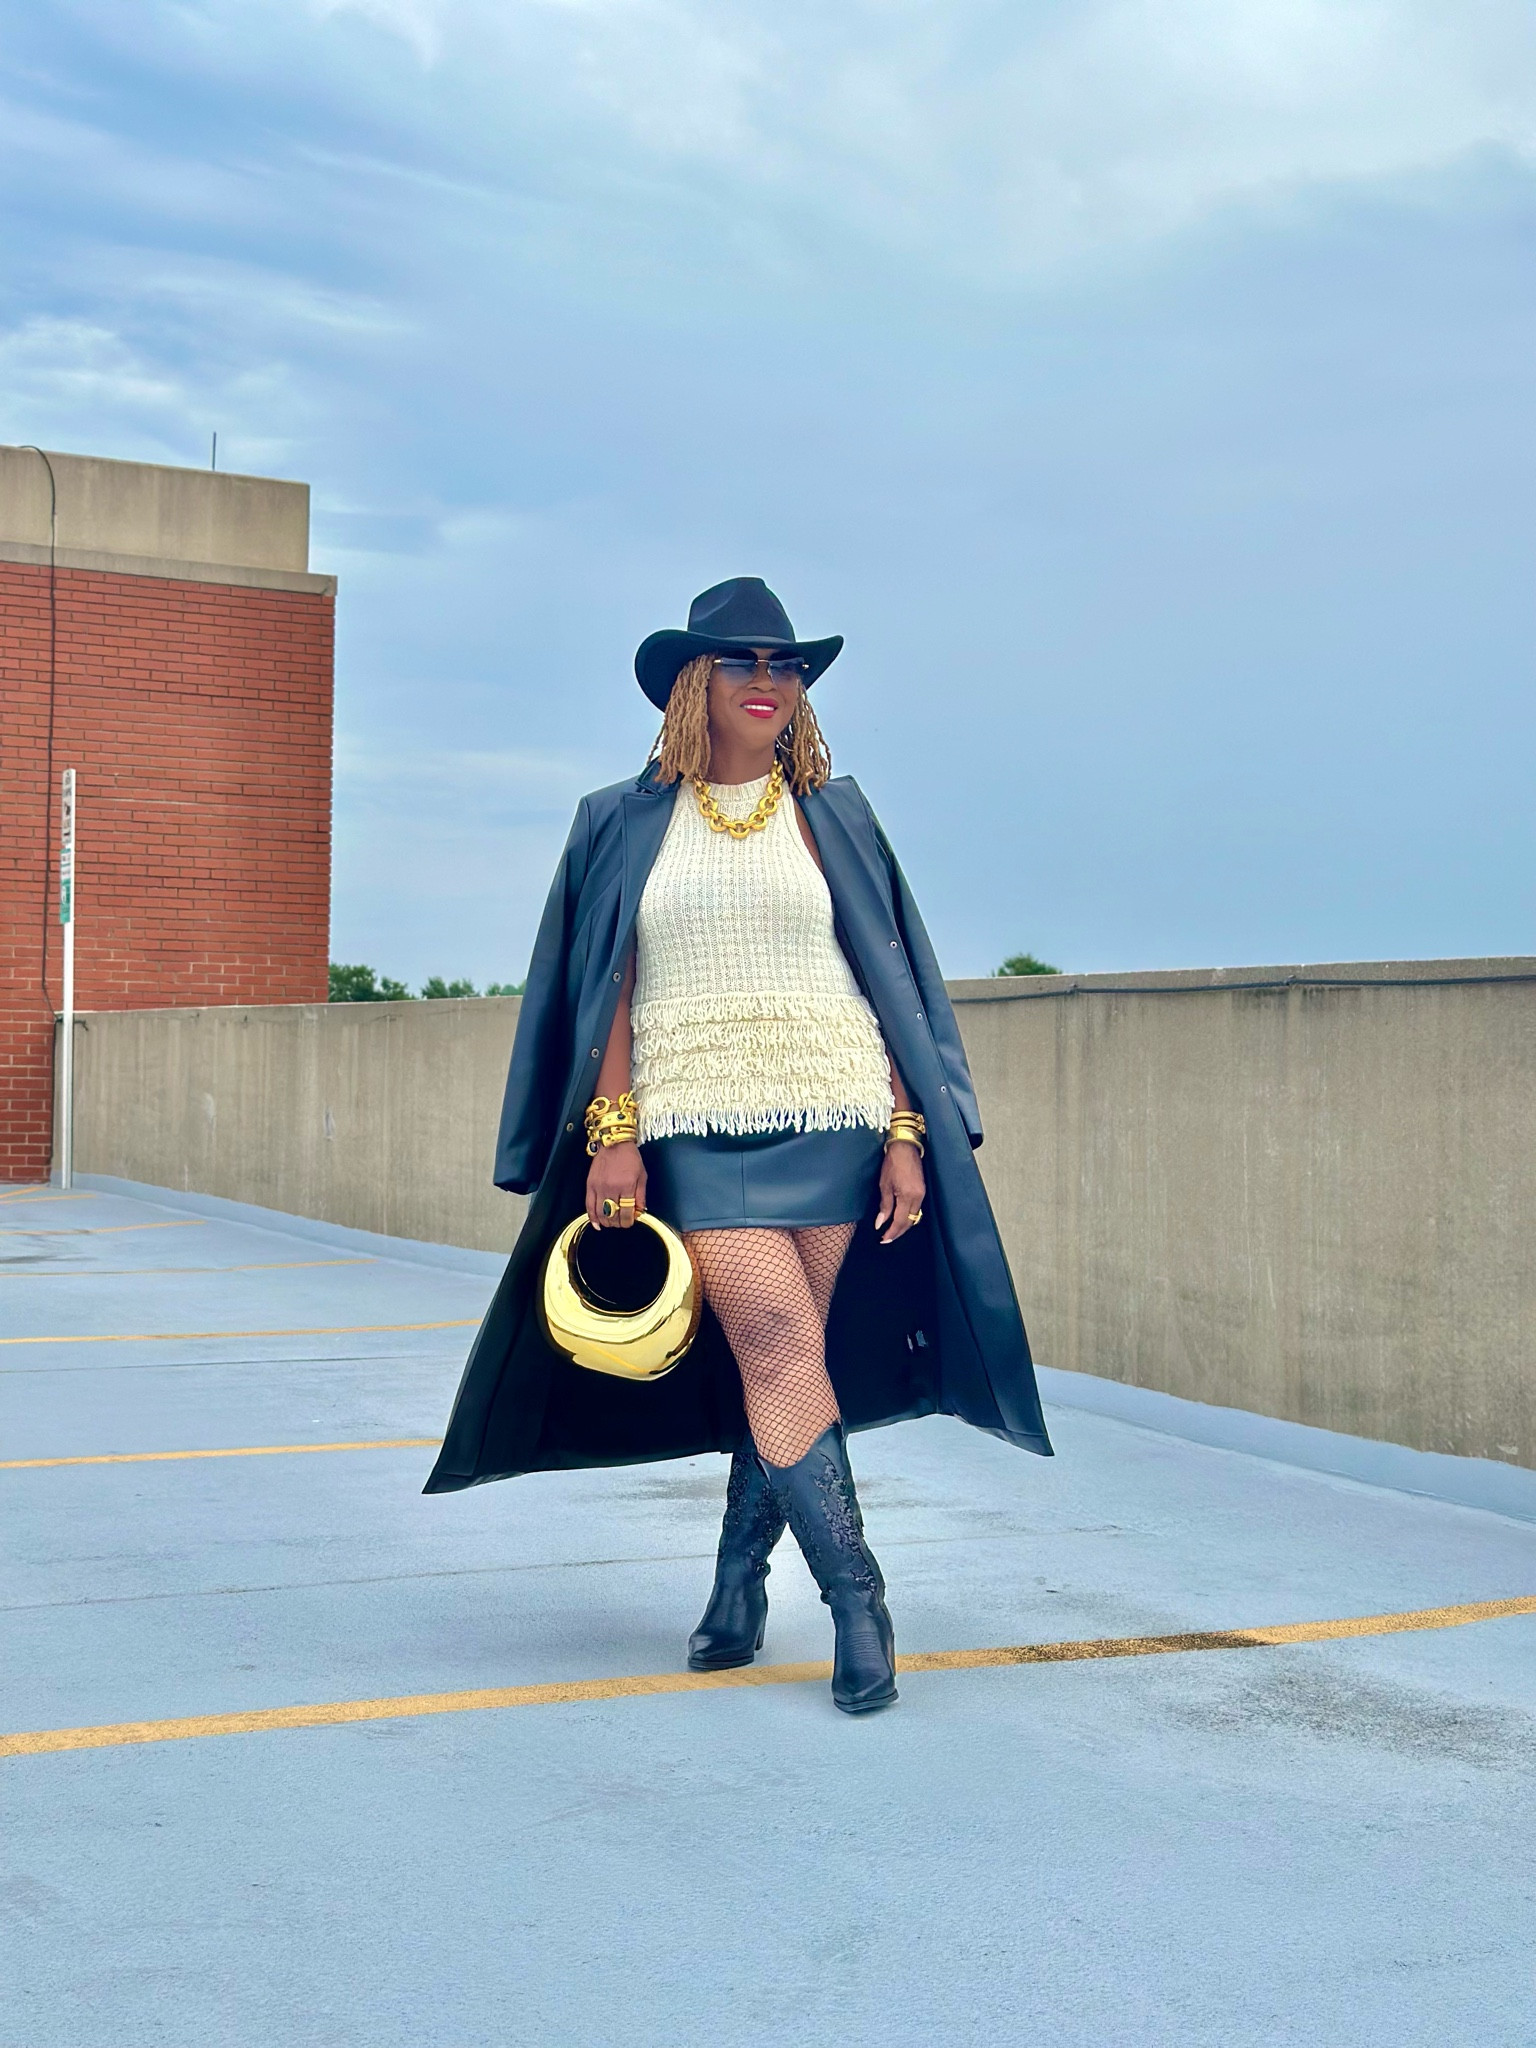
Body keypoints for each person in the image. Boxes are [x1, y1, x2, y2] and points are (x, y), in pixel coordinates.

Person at [426, 578, 1051, 1715]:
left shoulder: (836, 814)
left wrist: (908, 1128)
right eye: (743, 662)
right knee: (771, 1332)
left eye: (788, 665)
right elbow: (599, 985)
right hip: (691, 1123)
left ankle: (736, 1583)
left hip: (836, 1106)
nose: (770, 682)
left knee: (787, 1358)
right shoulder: (619, 819)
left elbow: (893, 980)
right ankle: (859, 1597)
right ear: (691, 682)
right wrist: (611, 1127)